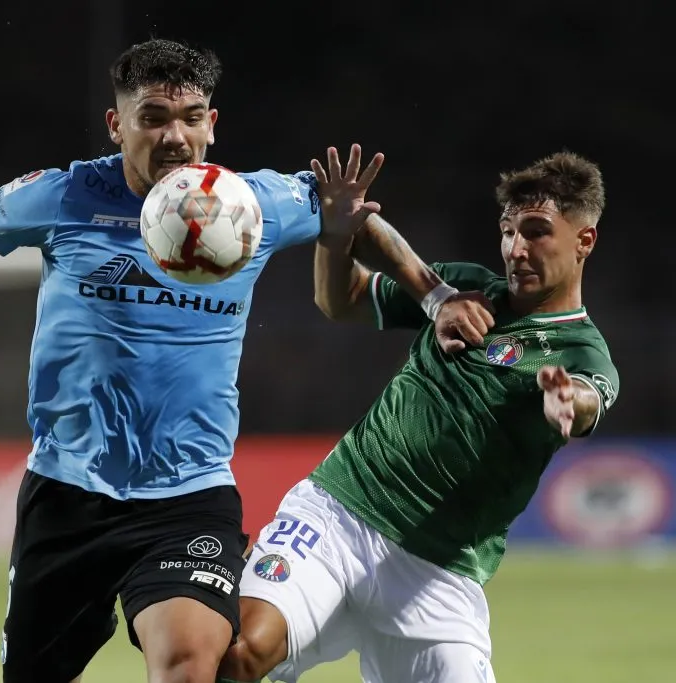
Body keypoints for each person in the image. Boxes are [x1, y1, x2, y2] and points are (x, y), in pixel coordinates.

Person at [0, 41, 484, 683]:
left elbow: (350, 215)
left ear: (213, 123)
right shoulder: (64, 198)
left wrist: (435, 292)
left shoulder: (253, 204)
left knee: (191, 665)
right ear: (117, 124)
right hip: (68, 494)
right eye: (153, 118)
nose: (174, 135)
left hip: (187, 496)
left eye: (190, 117)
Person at [217, 148, 619, 683]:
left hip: (438, 574)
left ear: (584, 240)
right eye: (507, 232)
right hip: (337, 515)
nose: (515, 249)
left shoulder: (582, 353)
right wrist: (336, 236)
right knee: (237, 654)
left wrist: (570, 401)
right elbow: (342, 299)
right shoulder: (466, 290)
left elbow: (592, 396)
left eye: (537, 231)